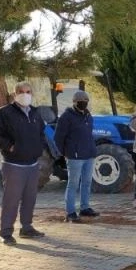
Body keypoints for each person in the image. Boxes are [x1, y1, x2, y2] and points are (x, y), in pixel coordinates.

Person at [0, 82, 48, 245]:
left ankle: (26, 228)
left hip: (32, 165)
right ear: (15, 94)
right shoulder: (4, 113)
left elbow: (41, 133)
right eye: (21, 91)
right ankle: (6, 232)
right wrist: (10, 146)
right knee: (11, 200)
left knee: (30, 198)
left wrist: (38, 148)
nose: (25, 94)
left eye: (28, 91)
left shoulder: (35, 113)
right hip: (14, 166)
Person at [54, 90, 99, 223]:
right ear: (74, 102)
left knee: (87, 182)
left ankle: (85, 207)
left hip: (89, 155)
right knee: (73, 184)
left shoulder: (88, 116)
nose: (83, 103)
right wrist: (66, 153)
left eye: (86, 101)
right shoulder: (66, 117)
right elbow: (58, 138)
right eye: (81, 101)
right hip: (74, 157)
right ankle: (70, 212)